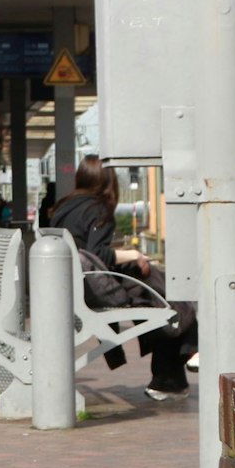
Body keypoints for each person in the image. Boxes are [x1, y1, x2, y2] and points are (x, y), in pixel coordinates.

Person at [47, 155, 196, 401]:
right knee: (169, 303)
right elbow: (98, 253)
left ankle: (172, 376)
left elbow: (86, 250)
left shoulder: (64, 207)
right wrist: (134, 254)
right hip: (96, 287)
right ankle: (178, 367)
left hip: (77, 286)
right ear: (108, 181)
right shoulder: (99, 208)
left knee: (159, 301)